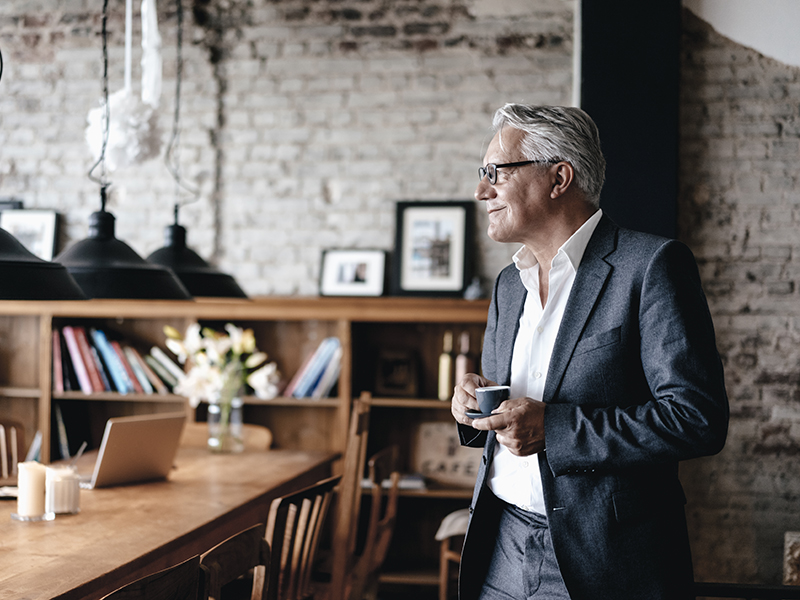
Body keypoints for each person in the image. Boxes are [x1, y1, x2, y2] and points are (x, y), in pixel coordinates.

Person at [451, 104, 729, 600]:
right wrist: (471, 404)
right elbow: (510, 408)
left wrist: (553, 428)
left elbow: (696, 418)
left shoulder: (650, 267)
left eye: (495, 172)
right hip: (499, 544)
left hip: (603, 558)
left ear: (558, 177)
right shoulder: (506, 285)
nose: (481, 190)